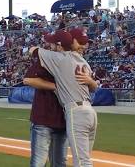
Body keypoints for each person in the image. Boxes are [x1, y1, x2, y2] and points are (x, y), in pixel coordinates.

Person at [30, 28, 98, 167]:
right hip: (90, 112)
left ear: (61, 45)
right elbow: (93, 87)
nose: (83, 46)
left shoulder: (60, 59)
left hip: (76, 111)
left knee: (81, 161)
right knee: (85, 157)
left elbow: (33, 50)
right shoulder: (84, 62)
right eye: (80, 43)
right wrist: (92, 82)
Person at [23, 34, 67, 167]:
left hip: (60, 118)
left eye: (52, 43)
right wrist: (56, 87)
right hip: (45, 118)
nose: (49, 46)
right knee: (41, 162)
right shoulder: (45, 60)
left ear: (59, 46)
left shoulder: (71, 60)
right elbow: (28, 79)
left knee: (56, 163)